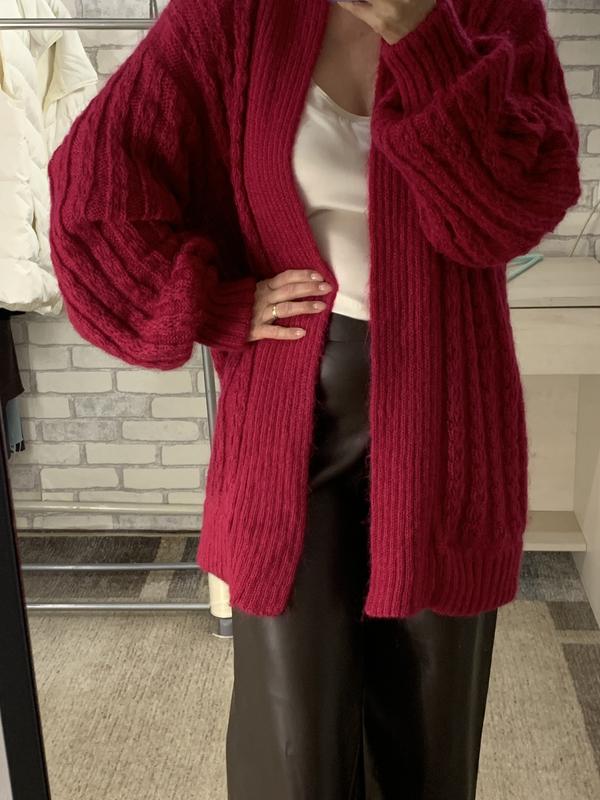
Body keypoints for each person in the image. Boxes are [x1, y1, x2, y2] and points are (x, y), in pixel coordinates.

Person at [46, 0, 581, 797]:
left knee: (426, 739)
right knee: (295, 744)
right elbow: (93, 194)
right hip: (290, 425)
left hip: (448, 425)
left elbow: (511, 213)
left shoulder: (493, 11)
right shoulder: (232, 15)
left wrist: (423, 39)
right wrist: (214, 305)